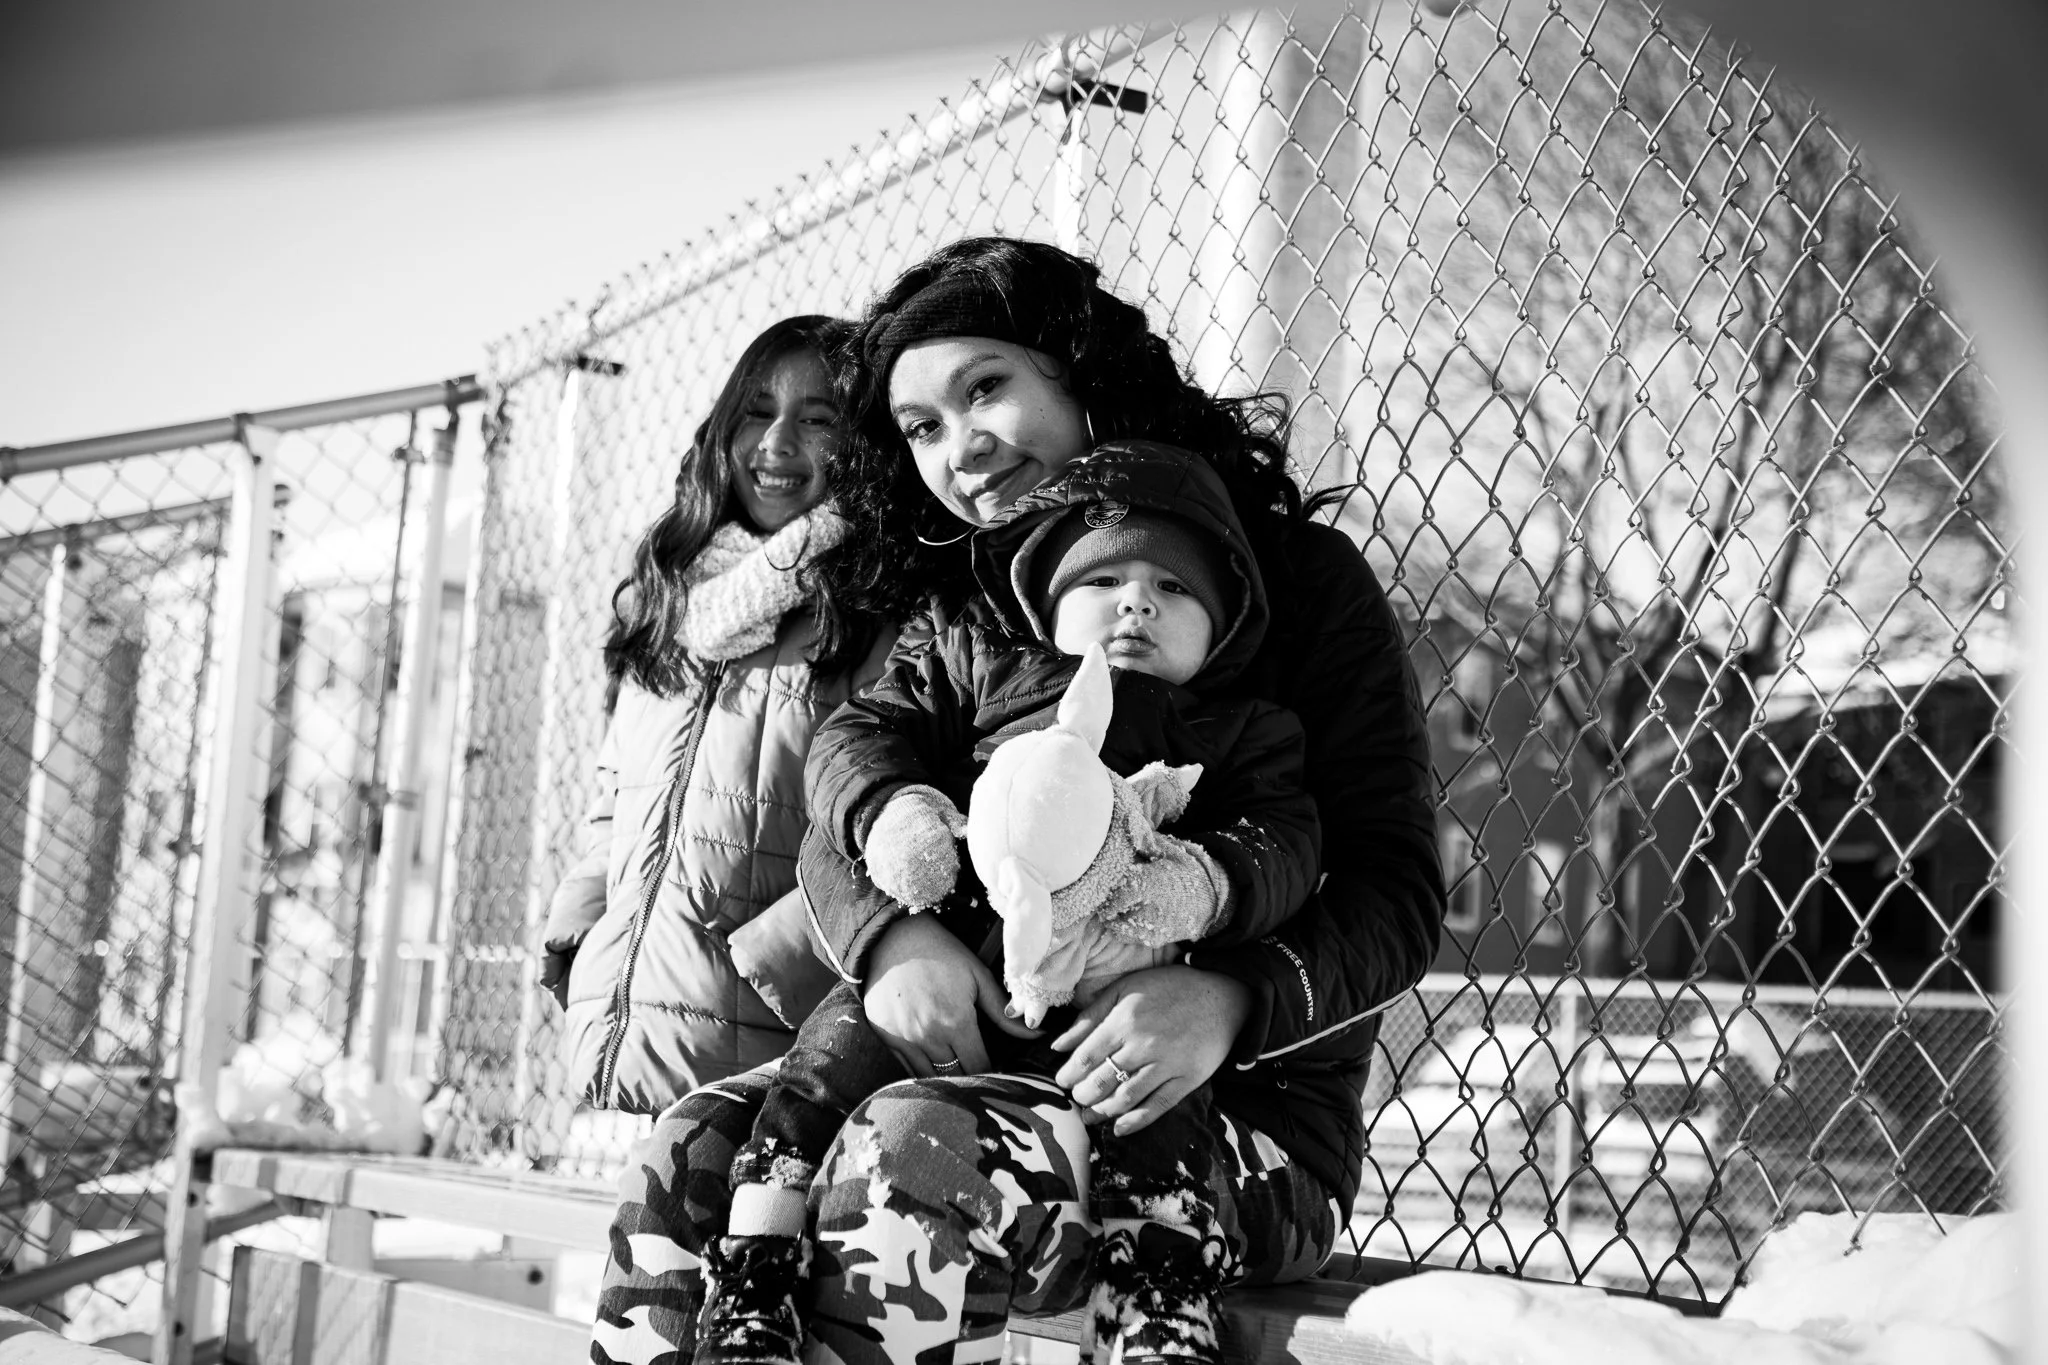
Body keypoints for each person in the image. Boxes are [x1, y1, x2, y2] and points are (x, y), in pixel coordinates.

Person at [591, 238, 1443, 1365]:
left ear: (1083, 373)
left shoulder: (1297, 584)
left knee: (913, 1147)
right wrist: (890, 943)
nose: (962, 447)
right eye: (920, 427)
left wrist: (1230, 1000)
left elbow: (1394, 888)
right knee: (691, 1147)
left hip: (1215, 1123)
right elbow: (851, 796)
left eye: (985, 387)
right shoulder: (970, 603)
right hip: (972, 1055)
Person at [696, 441, 1320, 1365]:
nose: (1137, 603)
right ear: (1048, 601)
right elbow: (861, 735)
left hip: (1108, 1004)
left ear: (1223, 629)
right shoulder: (985, 668)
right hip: (960, 969)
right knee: (833, 1051)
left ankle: (1155, 1292)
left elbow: (1287, 839)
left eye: (1174, 589)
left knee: (1154, 1103)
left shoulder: (1242, 729)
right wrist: (896, 812)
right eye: (1103, 579)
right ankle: (758, 1259)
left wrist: (1207, 882)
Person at [539, 315, 893, 1114]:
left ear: (861, 445)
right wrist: (580, 929)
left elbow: (894, 825)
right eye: (757, 412)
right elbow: (616, 801)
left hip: (781, 1074)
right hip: (621, 1038)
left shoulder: (875, 608)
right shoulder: (670, 596)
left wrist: (775, 966)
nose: (776, 443)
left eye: (817, 419)